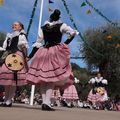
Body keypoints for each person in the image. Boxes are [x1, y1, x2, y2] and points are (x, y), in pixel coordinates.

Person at [26, 9, 78, 111]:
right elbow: (73, 33)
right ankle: (46, 102)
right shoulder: (62, 25)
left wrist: (30, 56)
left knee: (43, 79)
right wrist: (65, 43)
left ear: (50, 17)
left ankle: (45, 102)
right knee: (50, 78)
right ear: (58, 18)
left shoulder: (43, 27)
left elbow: (38, 43)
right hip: (55, 52)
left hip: (43, 52)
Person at [0, 21, 28, 107]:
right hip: (8, 56)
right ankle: (5, 99)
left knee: (13, 79)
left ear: (20, 27)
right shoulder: (9, 36)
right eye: (13, 25)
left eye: (16, 25)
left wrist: (25, 57)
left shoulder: (22, 35)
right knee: (7, 78)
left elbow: (24, 48)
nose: (13, 26)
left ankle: (9, 100)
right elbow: (5, 48)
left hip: (16, 56)